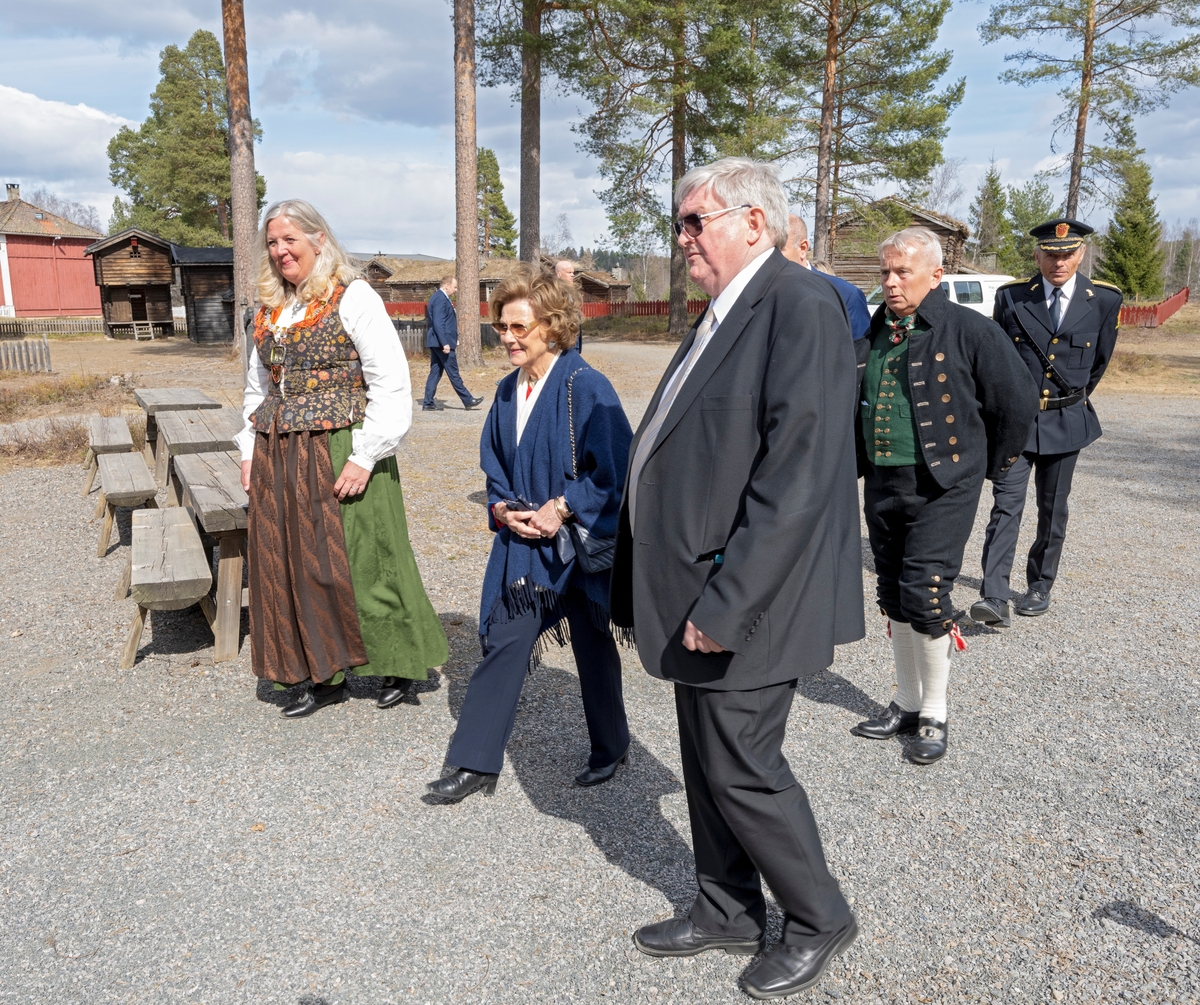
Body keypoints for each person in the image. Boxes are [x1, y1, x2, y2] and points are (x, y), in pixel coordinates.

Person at [611, 157, 865, 1000]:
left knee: (743, 767)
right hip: (697, 588)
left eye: (696, 222)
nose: (682, 238)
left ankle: (819, 914)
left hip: (751, 598)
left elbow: (798, 475)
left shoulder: (799, 304)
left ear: (755, 222)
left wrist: (727, 601)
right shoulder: (723, 310)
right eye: (679, 223)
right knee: (703, 757)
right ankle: (725, 905)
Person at [426, 264, 633, 803]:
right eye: (502, 327)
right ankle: (474, 762)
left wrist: (563, 506)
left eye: (521, 327)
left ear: (553, 326)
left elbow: (616, 470)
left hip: (576, 549)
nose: (509, 338)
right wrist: (500, 508)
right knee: (505, 640)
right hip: (523, 548)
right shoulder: (503, 391)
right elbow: (493, 463)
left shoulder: (584, 386)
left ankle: (611, 746)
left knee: (593, 646)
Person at [237, 199, 449, 717]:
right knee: (296, 562)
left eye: (290, 239)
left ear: (318, 240)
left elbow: (391, 384)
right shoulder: (269, 309)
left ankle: (397, 662)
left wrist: (365, 455)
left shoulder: (352, 297)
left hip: (343, 445)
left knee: (364, 557)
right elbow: (255, 387)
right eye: (272, 242)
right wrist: (247, 450)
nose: (281, 250)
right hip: (280, 451)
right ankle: (321, 670)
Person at [850, 227, 1037, 763]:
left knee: (927, 596)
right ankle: (906, 702)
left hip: (942, 487)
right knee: (894, 595)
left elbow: (1016, 400)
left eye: (901, 272)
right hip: (884, 482)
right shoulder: (876, 329)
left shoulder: (968, 329)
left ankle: (934, 712)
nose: (890, 282)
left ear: (935, 275)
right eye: (884, 272)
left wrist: (983, 468)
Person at [971, 218, 1122, 626]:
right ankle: (995, 594)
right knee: (1006, 506)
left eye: (1068, 254)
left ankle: (1039, 585)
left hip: (1066, 420)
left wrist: (1069, 399)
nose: (1059, 262)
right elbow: (999, 360)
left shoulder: (1104, 300)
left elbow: (1099, 364)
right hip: (1017, 422)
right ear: (1037, 255)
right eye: (1051, 254)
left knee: (1053, 509)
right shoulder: (1013, 297)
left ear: (1082, 254)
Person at [781, 214, 871, 340]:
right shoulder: (756, 293)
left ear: (803, 248)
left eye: (779, 249)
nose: (770, 257)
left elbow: (859, 354)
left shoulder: (845, 295)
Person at [422, 274, 484, 412]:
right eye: (454, 287)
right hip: (441, 343)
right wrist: (445, 343)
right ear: (447, 286)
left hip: (439, 341)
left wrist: (453, 338)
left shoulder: (440, 298)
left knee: (435, 372)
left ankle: (428, 403)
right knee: (453, 372)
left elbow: (446, 323)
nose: (456, 290)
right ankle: (468, 400)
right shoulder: (440, 299)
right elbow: (439, 323)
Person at [555, 259, 584, 354]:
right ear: (559, 274)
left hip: (574, 339)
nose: (572, 275)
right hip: (563, 340)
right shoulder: (554, 293)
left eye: (573, 272)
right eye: (569, 272)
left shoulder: (570, 292)